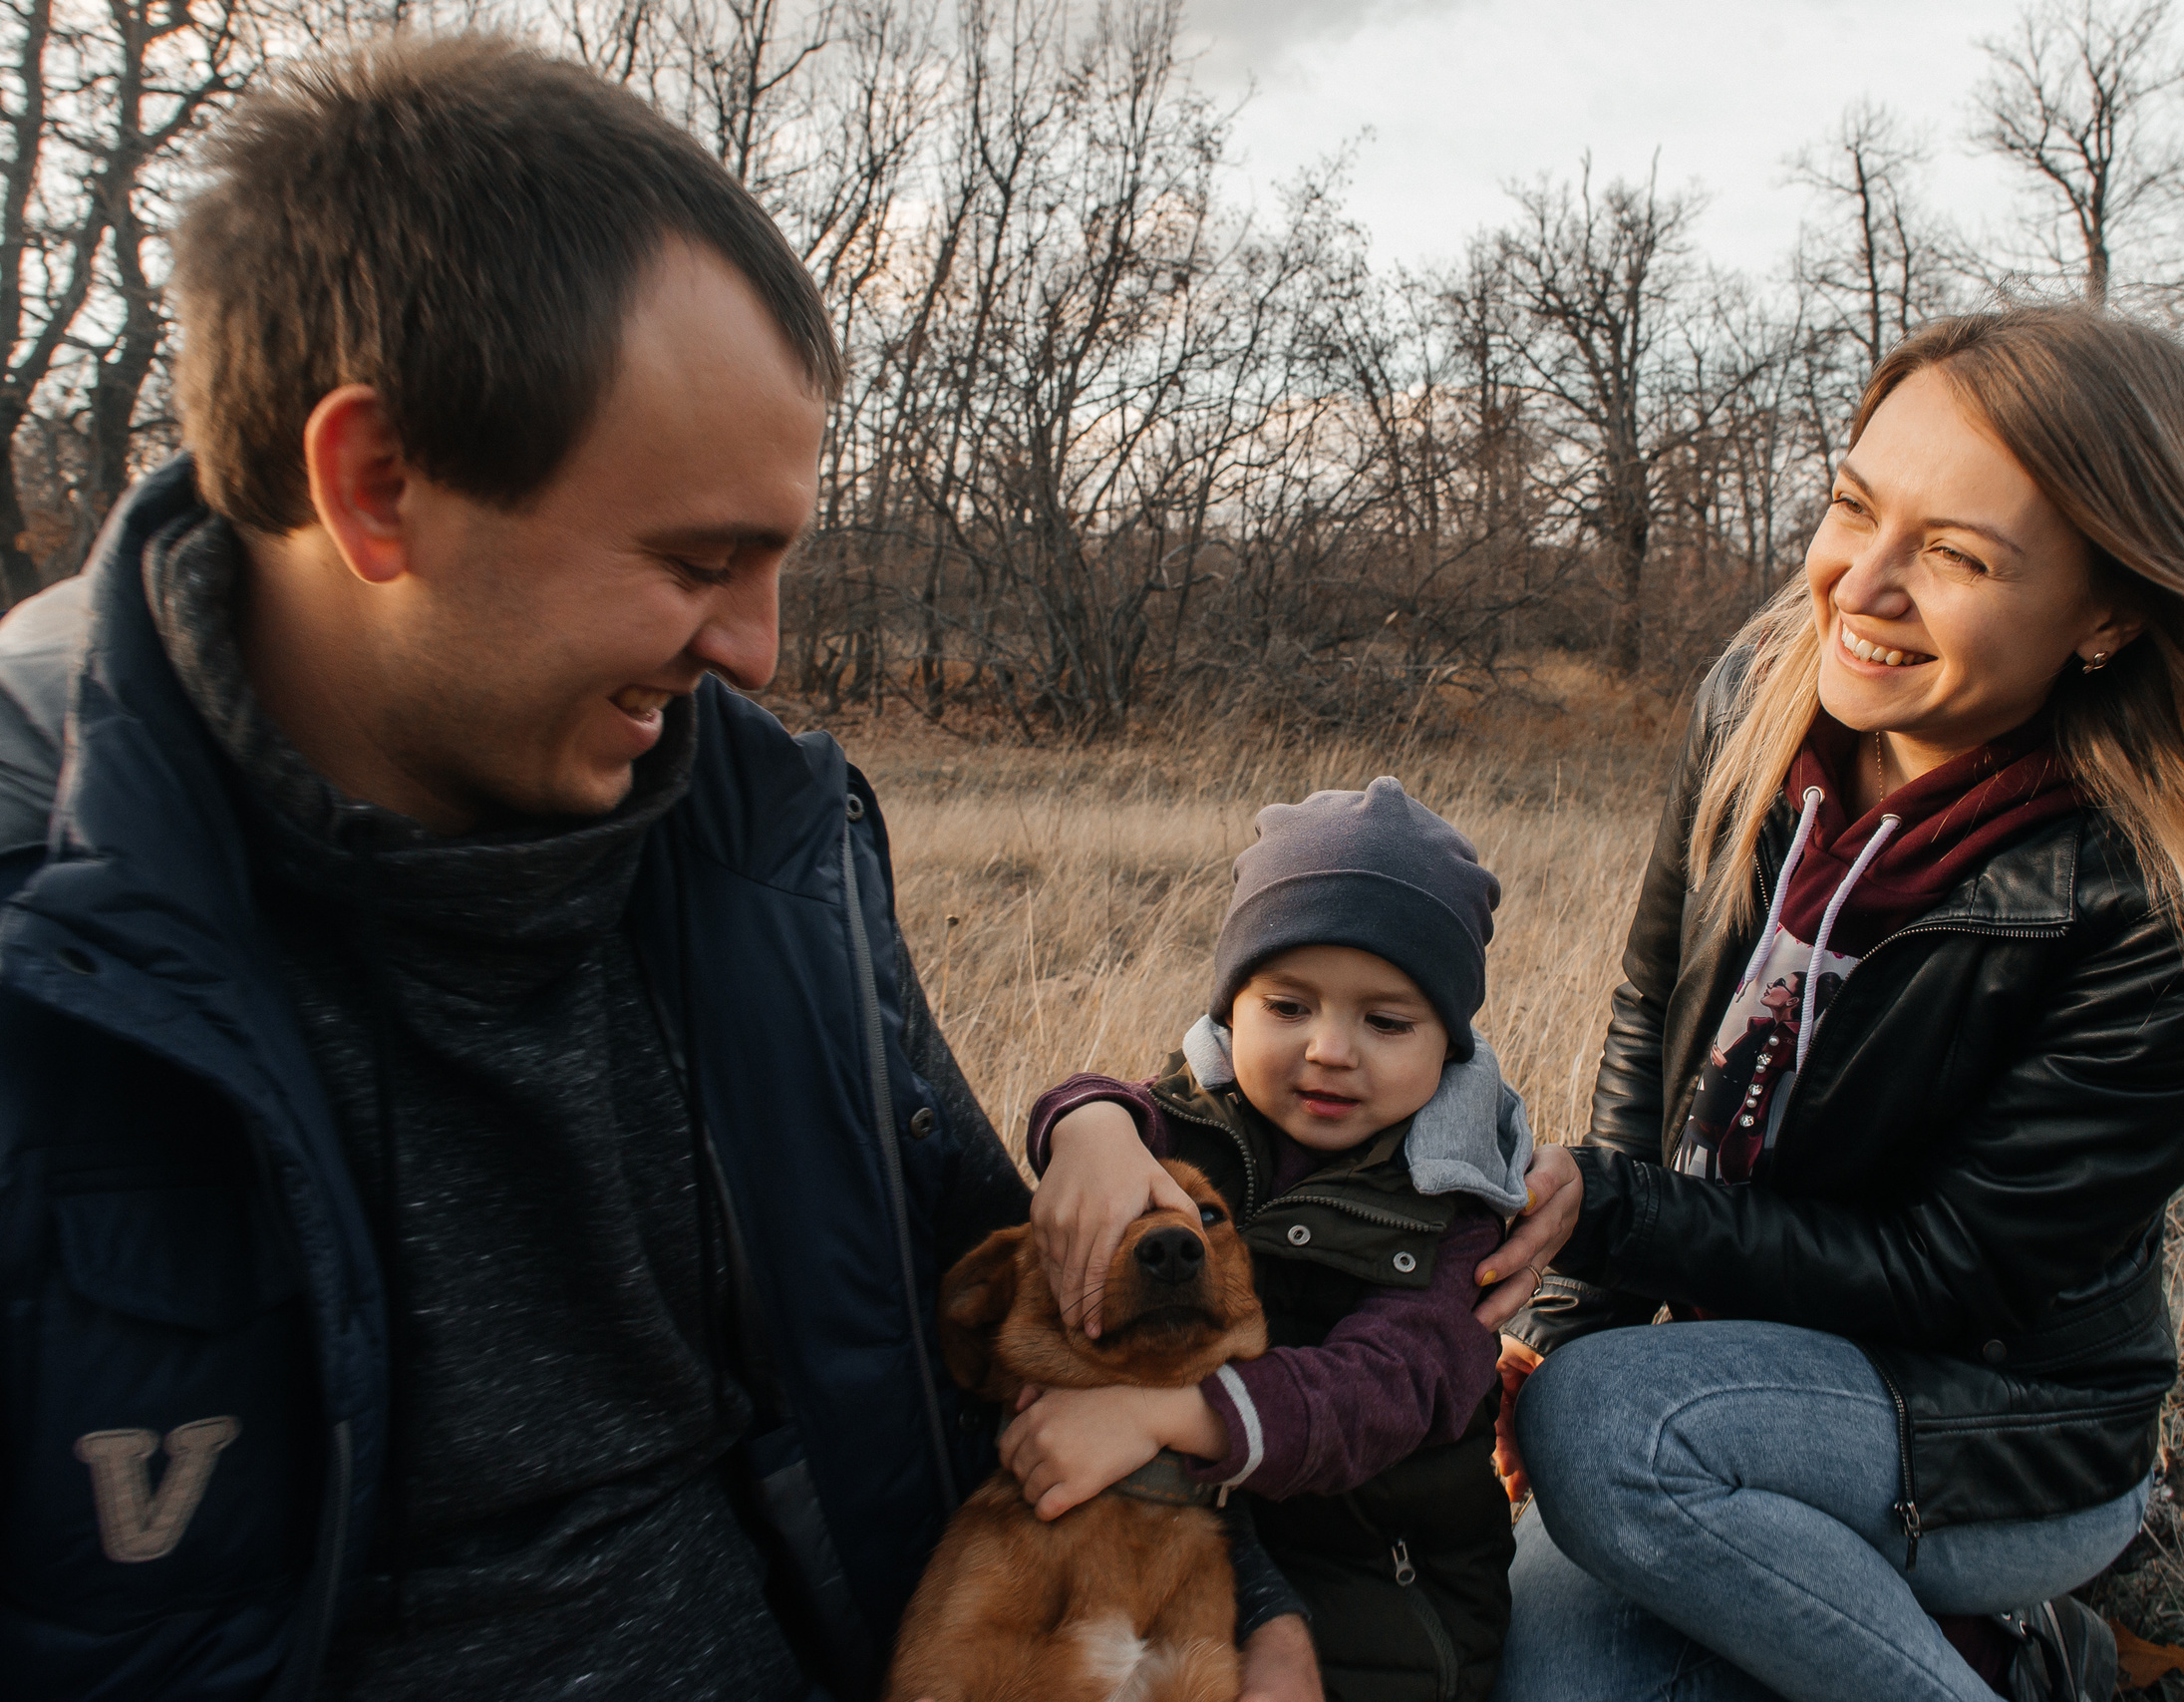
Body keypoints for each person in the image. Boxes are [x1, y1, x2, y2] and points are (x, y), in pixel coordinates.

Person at [0, 35, 1321, 1702]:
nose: (760, 654)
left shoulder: (760, 845)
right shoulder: (51, 943)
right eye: (700, 560)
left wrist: (1255, 1606)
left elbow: (1015, 1279)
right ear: (376, 486)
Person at [1491, 307, 2184, 1702]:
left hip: (2004, 1429)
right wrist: (1564, 1332)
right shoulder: (1760, 699)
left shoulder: (2166, 899)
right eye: (1853, 508)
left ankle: (1997, 1629)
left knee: (1611, 1437)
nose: (1859, 586)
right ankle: (2021, 1653)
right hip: (1740, 1385)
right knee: (1546, 1663)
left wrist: (1609, 1262)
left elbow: (1950, 1272)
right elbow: (1651, 1033)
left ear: (2110, 609)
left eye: (1955, 554)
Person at [1008, 778, 1537, 1701]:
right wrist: (1089, 1123)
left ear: (1447, 1045)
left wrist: (1166, 1414)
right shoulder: (1191, 1120)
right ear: (1230, 1010)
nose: (1329, 1049)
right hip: (1193, 1546)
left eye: (1385, 1021)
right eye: (1288, 1006)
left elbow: (1382, 1391)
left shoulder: (1455, 1211)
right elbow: (1104, 1105)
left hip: (1383, 1598)